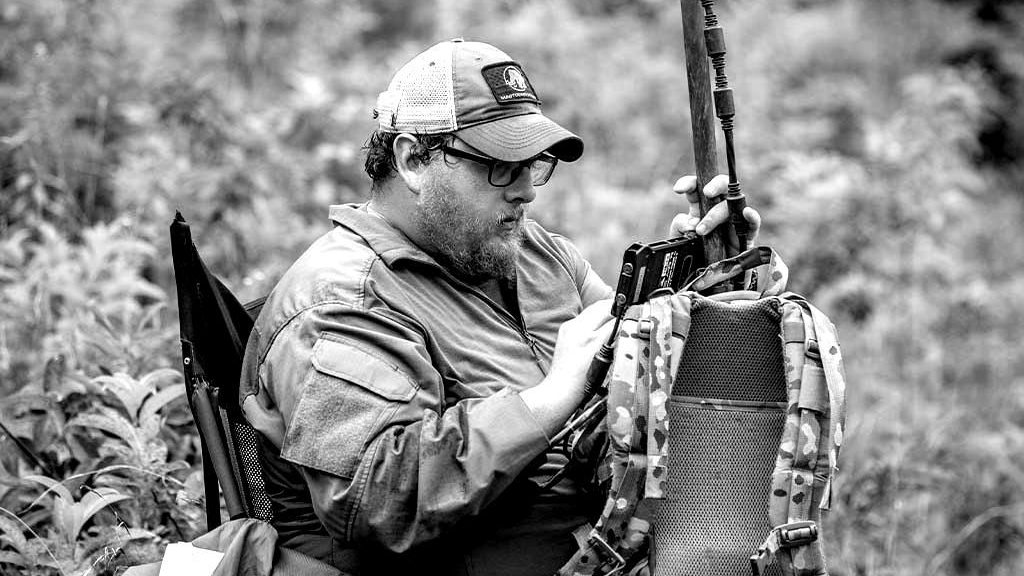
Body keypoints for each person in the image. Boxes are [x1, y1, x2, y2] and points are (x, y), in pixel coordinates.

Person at [238, 39, 759, 576]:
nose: (525, 191)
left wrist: (712, 281)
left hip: (611, 542)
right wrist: (546, 400)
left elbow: (654, 366)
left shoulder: (535, 253)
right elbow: (377, 502)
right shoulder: (342, 300)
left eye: (532, 164)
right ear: (413, 159)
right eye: (499, 165)